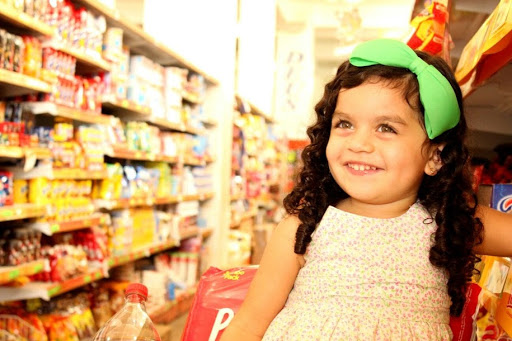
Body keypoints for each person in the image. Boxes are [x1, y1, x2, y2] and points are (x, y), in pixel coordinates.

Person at [220, 38, 512, 340]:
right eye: (344, 124)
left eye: (386, 128)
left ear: (434, 156)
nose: (358, 143)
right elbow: (247, 327)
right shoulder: (303, 228)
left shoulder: (450, 224)